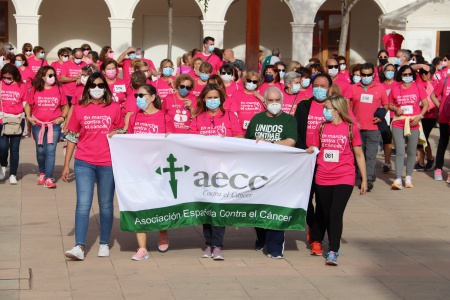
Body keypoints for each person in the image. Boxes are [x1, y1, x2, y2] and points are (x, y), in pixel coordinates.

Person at [62, 72, 124, 261]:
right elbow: (72, 136)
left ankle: (104, 242)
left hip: (107, 163)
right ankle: (79, 246)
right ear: (87, 88)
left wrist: (118, 133)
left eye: (100, 85)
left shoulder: (114, 108)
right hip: (83, 162)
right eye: (93, 85)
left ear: (105, 87)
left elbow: (121, 132)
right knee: (83, 204)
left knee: (105, 205)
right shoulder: (79, 108)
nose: (96, 89)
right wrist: (66, 165)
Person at [110, 84, 174, 260]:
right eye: (137, 95)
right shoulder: (134, 117)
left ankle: (163, 233)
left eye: (142, 95)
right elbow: (129, 141)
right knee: (138, 202)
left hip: (158, 169)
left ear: (153, 97)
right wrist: (117, 136)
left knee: (159, 202)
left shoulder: (165, 117)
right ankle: (142, 247)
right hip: (138, 169)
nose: (138, 98)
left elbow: (175, 142)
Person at [306, 94, 367, 266]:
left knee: (335, 213)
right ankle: (322, 240)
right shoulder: (321, 127)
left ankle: (333, 250)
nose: (324, 111)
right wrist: (310, 149)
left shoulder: (350, 128)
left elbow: (359, 155)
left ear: (338, 110)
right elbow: (315, 147)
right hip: (323, 176)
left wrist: (363, 179)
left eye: (327, 108)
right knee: (324, 212)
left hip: (344, 176)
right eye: (324, 107)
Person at [189, 84, 243, 260]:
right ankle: (208, 243)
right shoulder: (198, 118)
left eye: (215, 97)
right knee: (206, 206)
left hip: (224, 169)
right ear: (203, 99)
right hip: (203, 169)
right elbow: (189, 140)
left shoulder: (229, 116)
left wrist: (225, 140)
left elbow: (240, 138)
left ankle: (218, 245)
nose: (213, 101)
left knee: (218, 206)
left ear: (221, 99)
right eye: (209, 97)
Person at [245, 87, 297, 259]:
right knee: (258, 207)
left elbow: (290, 141)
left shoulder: (289, 120)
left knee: (275, 209)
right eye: (271, 101)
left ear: (282, 102)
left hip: (279, 171)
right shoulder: (256, 119)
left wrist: (270, 142)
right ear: (265, 102)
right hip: (257, 170)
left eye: (277, 101)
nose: (274, 104)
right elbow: (247, 141)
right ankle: (261, 237)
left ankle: (275, 248)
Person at [294, 73, 333, 244]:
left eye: (323, 86)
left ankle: (317, 235)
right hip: (307, 158)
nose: (319, 89)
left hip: (327, 160)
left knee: (323, 200)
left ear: (330, 89)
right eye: (316, 85)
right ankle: (312, 225)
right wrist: (303, 151)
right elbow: (297, 132)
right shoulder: (303, 106)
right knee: (306, 198)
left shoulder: (334, 108)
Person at [24, 66, 68, 188]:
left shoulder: (59, 89)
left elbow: (65, 106)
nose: (52, 77)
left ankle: (49, 177)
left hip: (54, 125)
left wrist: (63, 118)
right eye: (49, 75)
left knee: (51, 151)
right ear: (43, 77)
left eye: (53, 75)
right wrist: (29, 117)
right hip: (38, 125)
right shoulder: (35, 89)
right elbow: (28, 105)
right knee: (40, 151)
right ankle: (42, 173)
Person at [350, 63, 388, 191]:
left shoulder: (380, 88)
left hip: (374, 128)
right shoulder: (353, 88)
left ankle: (369, 179)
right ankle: (361, 175)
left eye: (368, 75)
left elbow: (386, 104)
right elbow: (348, 107)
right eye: (363, 75)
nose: (366, 77)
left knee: (371, 155)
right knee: (360, 155)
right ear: (360, 75)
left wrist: (381, 116)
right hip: (357, 128)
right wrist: (353, 121)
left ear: (373, 74)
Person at [388, 65, 428, 189]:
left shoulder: (418, 87)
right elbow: (389, 104)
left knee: (411, 151)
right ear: (401, 75)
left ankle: (409, 176)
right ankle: (398, 178)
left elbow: (426, 104)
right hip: (398, 122)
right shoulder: (395, 88)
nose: (407, 77)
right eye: (404, 75)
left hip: (413, 121)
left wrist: (419, 116)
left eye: (409, 74)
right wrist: (395, 108)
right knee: (400, 151)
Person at [0, 64, 27, 183]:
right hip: (2, 120)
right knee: (3, 146)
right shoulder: (0, 84)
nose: (7, 79)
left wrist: (28, 118)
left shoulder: (22, 86)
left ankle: (13, 174)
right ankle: (3, 165)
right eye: (4, 77)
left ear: (15, 76)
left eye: (9, 77)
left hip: (17, 120)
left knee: (14, 149)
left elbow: (25, 103)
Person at [414, 66, 440, 171]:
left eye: (426, 73)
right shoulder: (418, 81)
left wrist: (428, 106)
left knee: (423, 137)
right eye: (422, 73)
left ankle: (430, 158)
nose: (424, 75)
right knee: (417, 138)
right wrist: (421, 66)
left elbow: (437, 99)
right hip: (417, 114)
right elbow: (411, 68)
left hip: (430, 116)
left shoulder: (435, 84)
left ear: (431, 74)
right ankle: (420, 163)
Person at [379, 63, 398, 172]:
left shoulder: (397, 85)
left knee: (389, 138)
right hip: (382, 114)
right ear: (383, 72)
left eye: (392, 70)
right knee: (383, 138)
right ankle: (386, 161)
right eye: (388, 70)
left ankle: (387, 161)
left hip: (393, 115)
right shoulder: (380, 85)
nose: (390, 72)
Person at [433, 71, 450, 182]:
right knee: (443, 143)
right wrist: (441, 107)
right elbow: (433, 95)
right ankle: (438, 168)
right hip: (445, 118)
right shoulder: (445, 80)